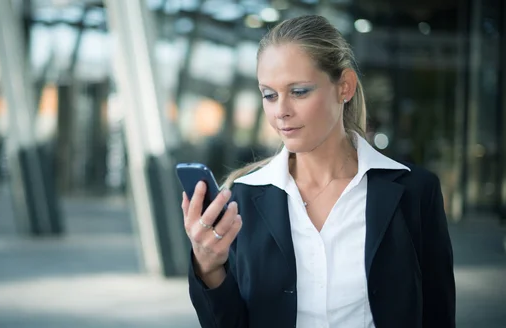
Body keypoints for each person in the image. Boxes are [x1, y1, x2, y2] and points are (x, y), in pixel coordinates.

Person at [181, 15, 455, 328]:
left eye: (298, 91)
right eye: (269, 95)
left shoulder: (415, 192)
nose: (281, 110)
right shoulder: (242, 199)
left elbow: (438, 313)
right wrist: (209, 266)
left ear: (345, 87)